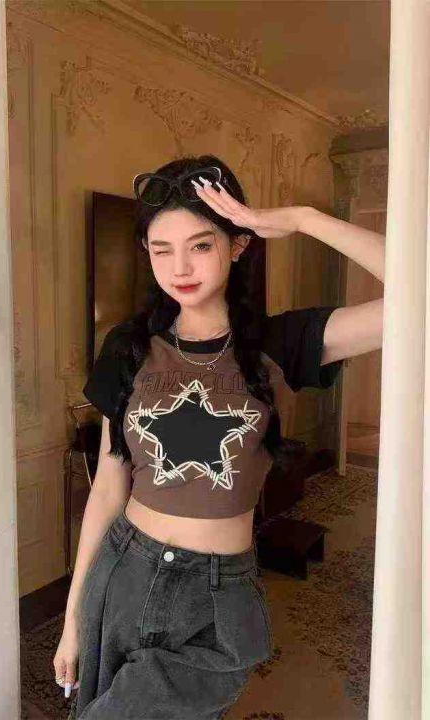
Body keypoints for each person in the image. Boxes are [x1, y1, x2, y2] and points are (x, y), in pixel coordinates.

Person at [53, 155, 385, 719]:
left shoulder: (280, 342)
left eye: (201, 245)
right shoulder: (128, 348)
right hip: (125, 570)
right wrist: (72, 619)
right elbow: (108, 487)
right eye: (162, 250)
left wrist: (302, 219)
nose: (180, 267)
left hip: (216, 593)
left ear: (237, 244)